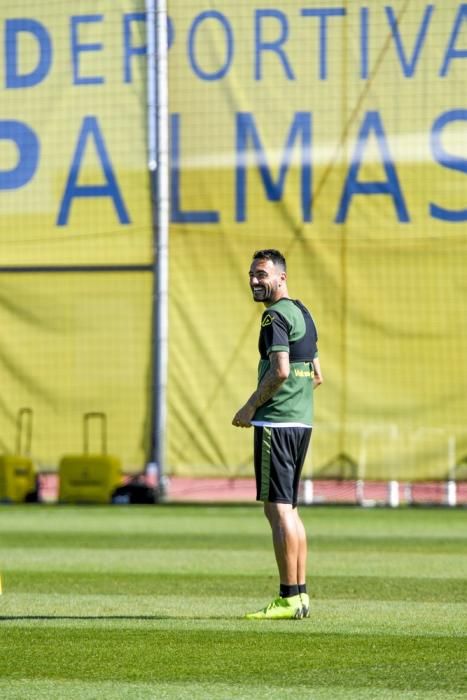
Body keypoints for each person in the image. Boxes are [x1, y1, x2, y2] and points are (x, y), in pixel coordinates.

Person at [232, 249, 322, 620]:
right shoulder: (302, 311)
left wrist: (251, 407)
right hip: (301, 422)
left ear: (281, 277)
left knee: (277, 510)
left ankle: (287, 597)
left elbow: (281, 370)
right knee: (290, 510)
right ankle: (299, 596)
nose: (255, 280)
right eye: (252, 274)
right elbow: (316, 374)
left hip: (277, 424)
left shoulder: (273, 316)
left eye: (262, 274)